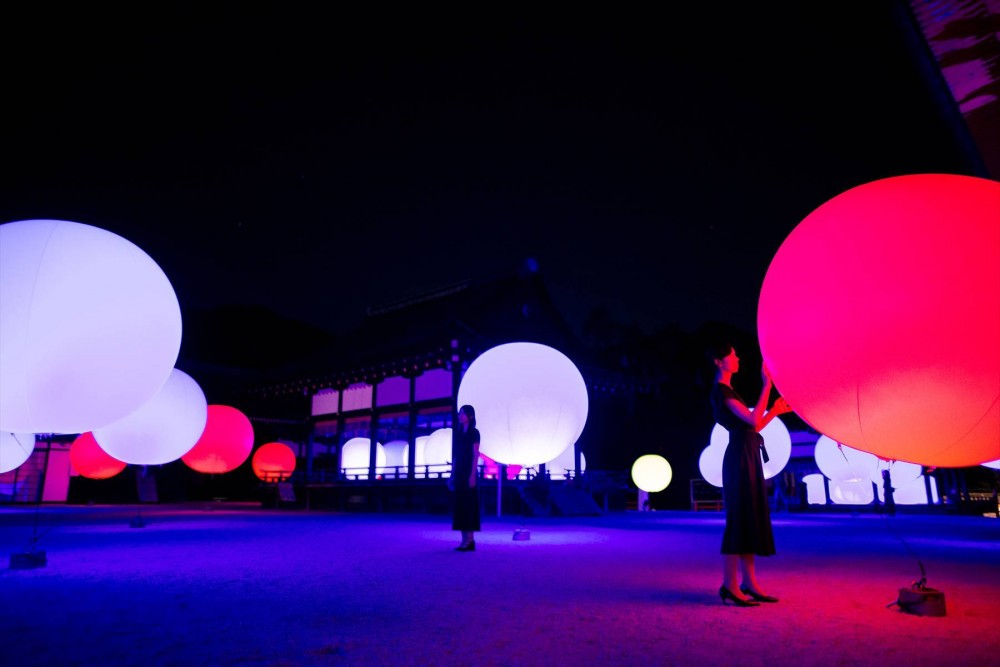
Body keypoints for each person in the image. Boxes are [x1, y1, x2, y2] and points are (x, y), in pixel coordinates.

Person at [707, 342, 792, 607]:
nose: (738, 358)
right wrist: (766, 385)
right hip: (740, 458)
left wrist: (775, 409)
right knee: (739, 519)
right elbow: (753, 421)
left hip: (747, 454)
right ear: (719, 361)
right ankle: (729, 584)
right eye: (733, 355)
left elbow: (753, 426)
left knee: (748, 518)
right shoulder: (722, 391)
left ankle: (749, 583)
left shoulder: (729, 390)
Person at [451, 404, 481, 551]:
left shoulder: (474, 433)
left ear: (470, 416)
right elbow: (456, 455)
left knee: (469, 506)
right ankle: (464, 540)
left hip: (469, 471)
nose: (460, 416)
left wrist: (472, 475)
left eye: (463, 413)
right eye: (459, 413)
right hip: (459, 472)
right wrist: (452, 473)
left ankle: (469, 540)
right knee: (460, 506)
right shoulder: (458, 433)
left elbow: (475, 454)